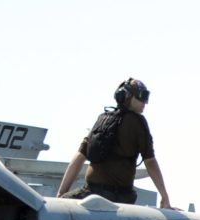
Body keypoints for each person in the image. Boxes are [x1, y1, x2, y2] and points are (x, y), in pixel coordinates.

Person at [56, 78, 173, 207]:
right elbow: (150, 161)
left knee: (60, 207)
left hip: (92, 193)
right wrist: (164, 197)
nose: (145, 102)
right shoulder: (138, 123)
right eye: (141, 96)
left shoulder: (103, 119)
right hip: (121, 197)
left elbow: (79, 156)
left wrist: (61, 193)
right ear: (126, 96)